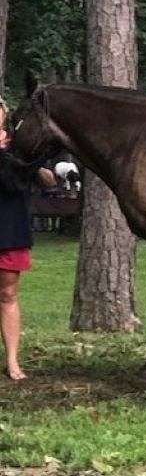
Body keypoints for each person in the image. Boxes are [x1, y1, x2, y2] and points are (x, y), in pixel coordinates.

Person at [0, 96, 55, 380]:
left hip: (11, 231)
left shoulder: (19, 153)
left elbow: (47, 181)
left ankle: (12, 361)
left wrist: (36, 166)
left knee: (8, 294)